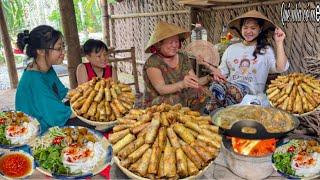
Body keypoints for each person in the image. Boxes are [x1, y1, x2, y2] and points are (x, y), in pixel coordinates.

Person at [205, 10, 289, 113]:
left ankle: (219, 108)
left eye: (253, 28)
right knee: (215, 87)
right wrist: (215, 74)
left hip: (250, 97)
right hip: (228, 90)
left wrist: (279, 42)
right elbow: (221, 72)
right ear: (240, 29)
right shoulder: (231, 49)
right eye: (245, 28)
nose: (248, 31)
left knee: (226, 92)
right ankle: (216, 111)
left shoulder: (266, 51)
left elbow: (281, 67)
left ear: (260, 29)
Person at [143, 21, 224, 109]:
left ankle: (198, 117)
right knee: (176, 99)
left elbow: (195, 81)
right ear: (159, 44)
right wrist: (182, 84)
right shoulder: (153, 62)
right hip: (157, 101)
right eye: (170, 42)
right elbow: (161, 89)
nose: (174, 45)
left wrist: (210, 77)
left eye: (176, 41)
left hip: (180, 95)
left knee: (202, 91)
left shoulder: (182, 57)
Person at [15, 25, 75, 132]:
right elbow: (55, 116)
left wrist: (86, 93)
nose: (63, 52)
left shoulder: (46, 68)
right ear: (41, 51)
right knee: (89, 120)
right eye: (58, 48)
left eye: (63, 47)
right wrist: (88, 110)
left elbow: (63, 92)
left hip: (50, 115)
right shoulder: (34, 80)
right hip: (40, 130)